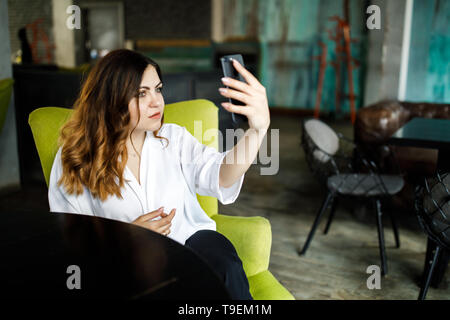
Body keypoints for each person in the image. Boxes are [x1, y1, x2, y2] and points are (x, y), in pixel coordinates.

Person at [48, 49, 270, 300]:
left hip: (192, 248)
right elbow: (70, 242)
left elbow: (221, 176)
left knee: (222, 260)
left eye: (158, 89)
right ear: (110, 99)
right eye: (142, 93)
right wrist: (125, 238)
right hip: (125, 264)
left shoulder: (174, 138)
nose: (157, 101)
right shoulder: (75, 159)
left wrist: (257, 130)